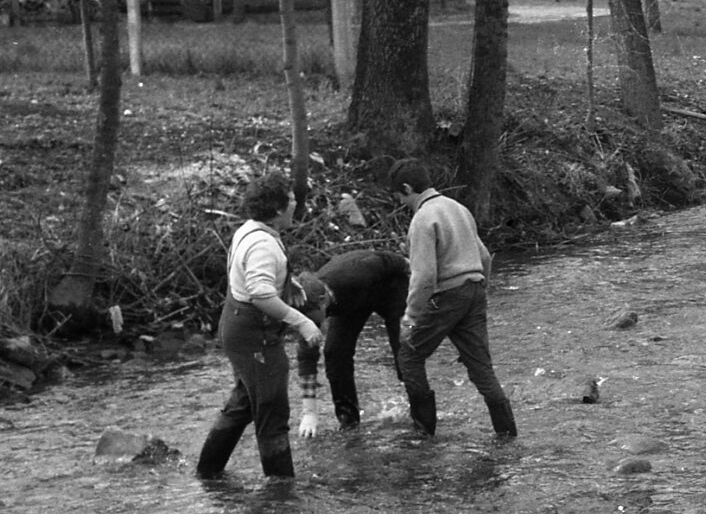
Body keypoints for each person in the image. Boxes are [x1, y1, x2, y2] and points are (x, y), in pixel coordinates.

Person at [196, 172, 324, 479]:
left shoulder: (250, 229)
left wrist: (287, 282)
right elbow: (259, 293)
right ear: (278, 209)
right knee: (272, 412)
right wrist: (303, 322)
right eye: (291, 200)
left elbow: (251, 277)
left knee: (244, 402)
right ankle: (280, 490)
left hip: (236, 328)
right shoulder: (262, 244)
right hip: (254, 336)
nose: (295, 204)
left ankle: (207, 473)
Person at [388, 159, 517, 439]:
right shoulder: (458, 208)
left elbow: (424, 277)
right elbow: (485, 257)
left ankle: (423, 435)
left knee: (409, 355)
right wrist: (480, 291)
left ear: (407, 188)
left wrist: (410, 317)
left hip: (447, 295)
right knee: (482, 369)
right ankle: (507, 435)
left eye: (399, 196)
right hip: (475, 289)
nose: (401, 203)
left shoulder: (422, 219)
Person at [297, 248, 410, 430]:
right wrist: (309, 413)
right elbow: (306, 357)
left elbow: (392, 261)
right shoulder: (308, 305)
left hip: (390, 289)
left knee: (403, 352)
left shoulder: (354, 274)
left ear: (323, 301)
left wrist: (414, 273)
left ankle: (419, 409)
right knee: (335, 354)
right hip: (351, 304)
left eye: (312, 318)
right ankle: (348, 420)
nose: (311, 323)